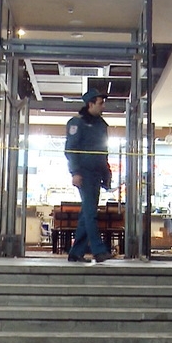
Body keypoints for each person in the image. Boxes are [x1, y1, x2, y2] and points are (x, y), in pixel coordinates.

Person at [64, 87, 114, 263]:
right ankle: (98, 250)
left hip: (96, 174)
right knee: (91, 212)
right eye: (100, 103)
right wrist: (75, 172)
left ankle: (76, 252)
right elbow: (70, 150)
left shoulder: (101, 125)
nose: (103, 106)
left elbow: (103, 152)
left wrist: (106, 174)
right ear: (90, 104)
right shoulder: (77, 123)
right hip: (84, 173)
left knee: (87, 213)